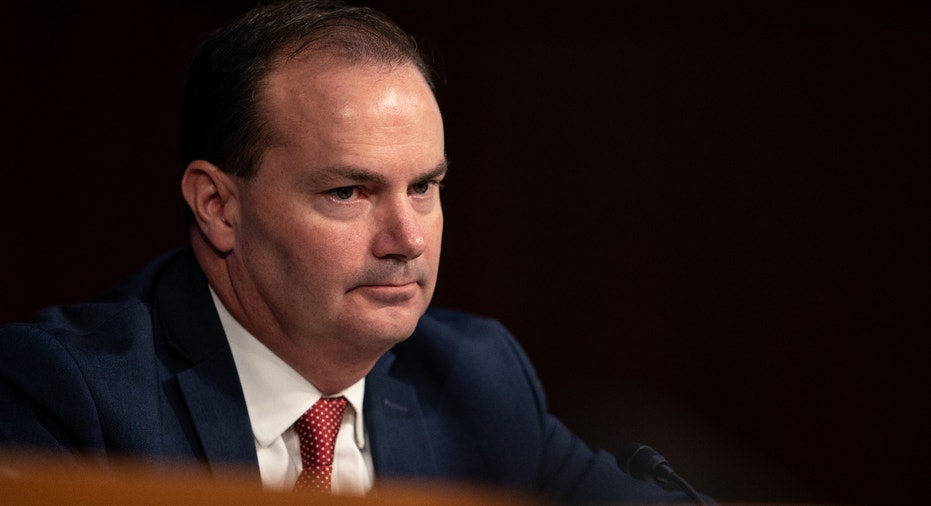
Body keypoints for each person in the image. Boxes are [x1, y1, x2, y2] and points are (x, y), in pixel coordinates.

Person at [0, 1, 711, 504]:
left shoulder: (471, 380)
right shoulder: (70, 396)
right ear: (217, 205)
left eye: (424, 187)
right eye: (348, 192)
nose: (406, 239)